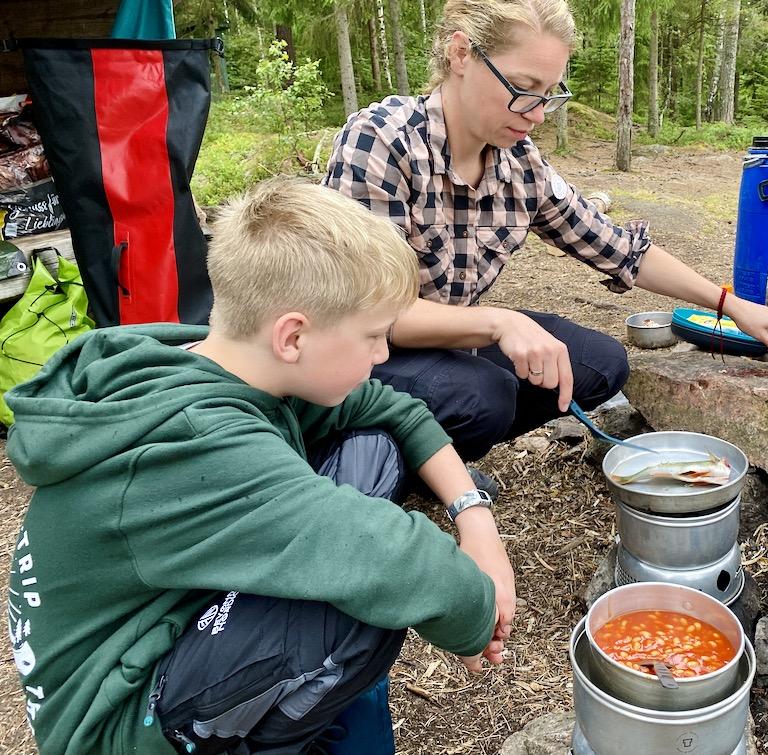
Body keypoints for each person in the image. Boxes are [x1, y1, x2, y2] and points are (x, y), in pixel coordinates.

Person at [5, 179, 515, 754]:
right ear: (292, 336)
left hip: (164, 624)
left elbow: (392, 409)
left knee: (371, 445)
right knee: (357, 604)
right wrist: (475, 616)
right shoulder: (197, 440)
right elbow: (391, 557)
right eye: (374, 337)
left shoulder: (221, 362)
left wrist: (475, 517)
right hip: (116, 722)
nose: (383, 356)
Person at [324, 0, 768, 472]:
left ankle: (432, 446)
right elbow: (368, 311)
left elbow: (619, 249)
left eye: (549, 93)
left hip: (449, 339)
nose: (538, 114)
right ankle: (368, 454)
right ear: (461, 54)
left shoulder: (519, 162)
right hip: (360, 355)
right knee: (481, 395)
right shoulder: (384, 141)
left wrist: (729, 305)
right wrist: (500, 322)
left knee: (600, 363)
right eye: (523, 88)